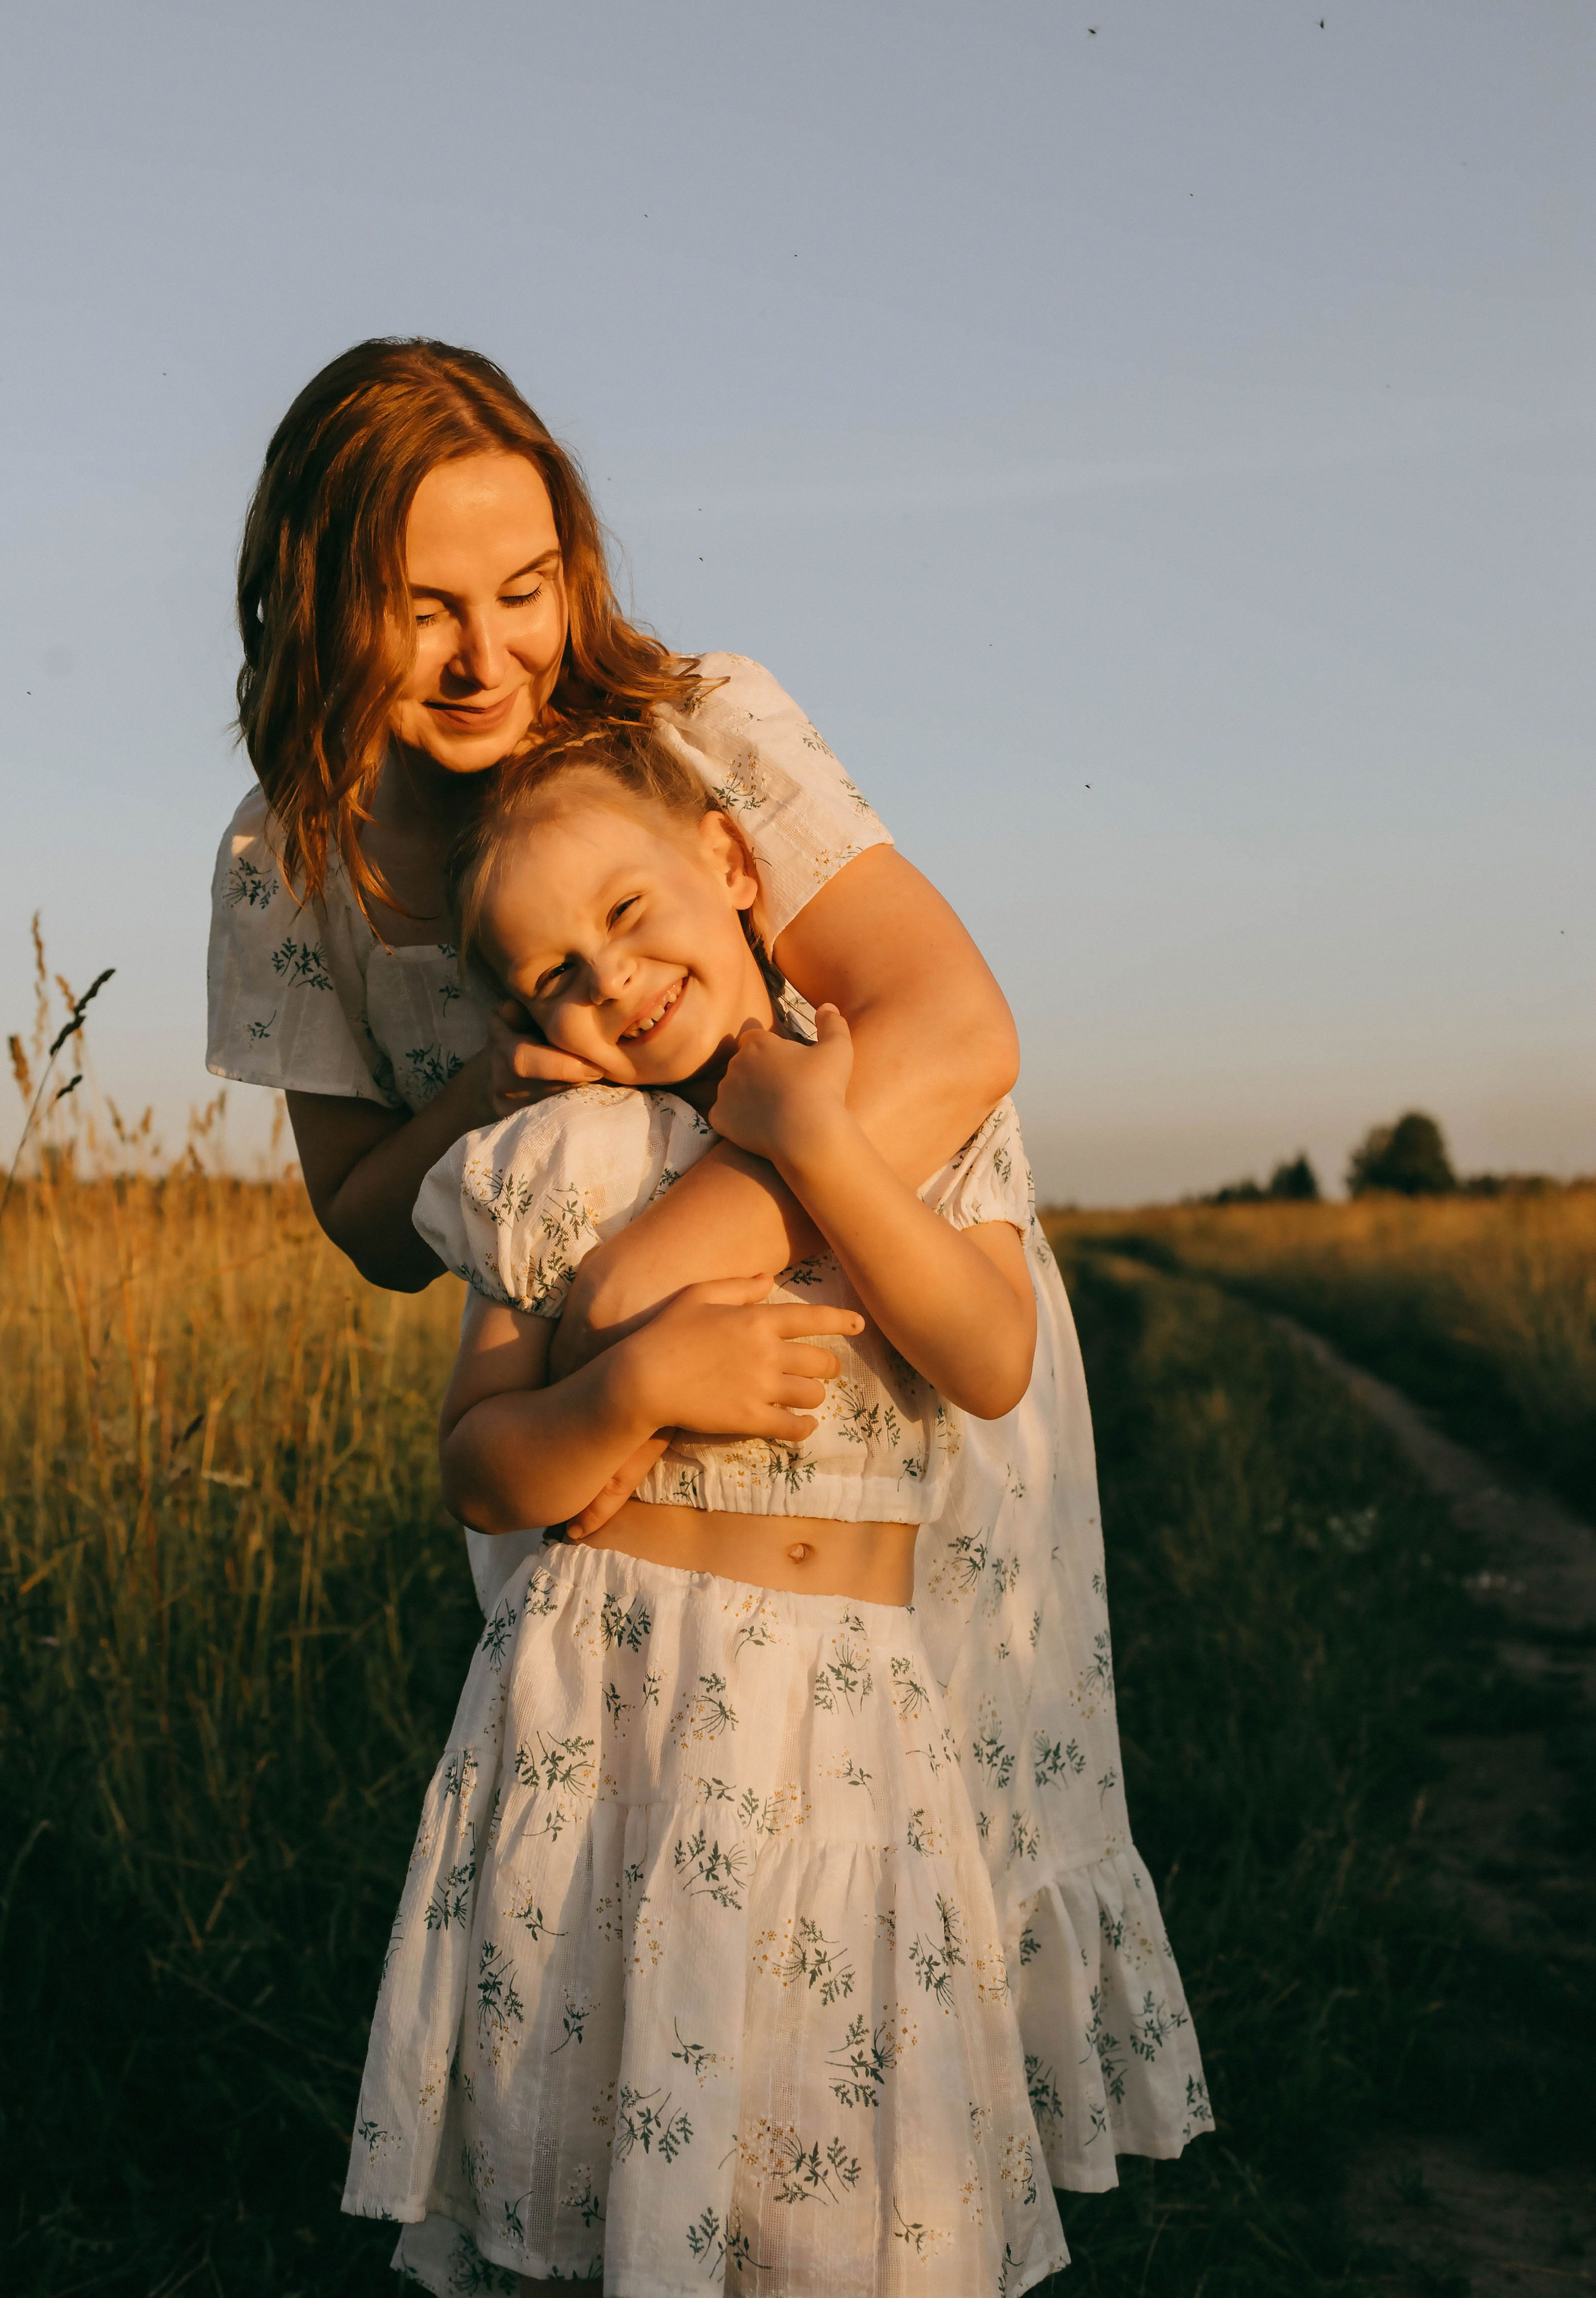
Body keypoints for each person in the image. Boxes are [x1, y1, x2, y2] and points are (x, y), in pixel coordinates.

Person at [207, 339, 1210, 2221]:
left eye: (525, 588)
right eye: (423, 610)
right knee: (656, 1899)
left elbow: (950, 1029)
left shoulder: (696, 723)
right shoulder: (290, 857)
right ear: (320, 599)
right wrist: (503, 1113)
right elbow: (364, 1215)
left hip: (866, 1324)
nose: (489, 653)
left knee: (903, 1878)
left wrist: (630, 1292)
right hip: (611, 1453)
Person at [343, 724, 1068, 2295]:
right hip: (605, 1710)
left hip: (836, 1722)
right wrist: (627, 1390)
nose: (611, 977)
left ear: (730, 864)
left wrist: (816, 1144)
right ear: (525, 1019)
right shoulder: (552, 1160)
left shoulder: (905, 1097)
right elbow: (480, 1465)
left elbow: (988, 1356)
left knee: (824, 2152)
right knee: (601, 2119)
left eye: (626, 912)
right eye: (555, 976)